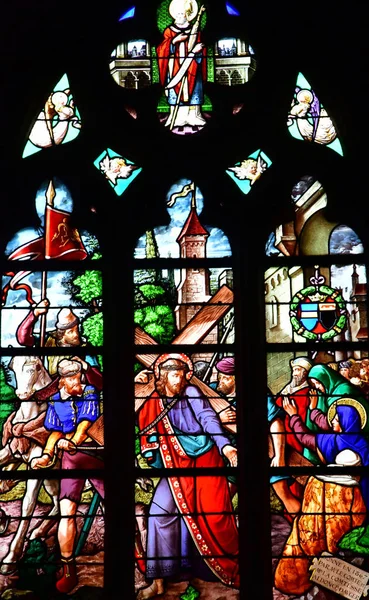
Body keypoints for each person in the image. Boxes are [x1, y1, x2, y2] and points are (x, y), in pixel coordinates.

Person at [137, 353, 239, 599]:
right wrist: (135, 382)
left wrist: (226, 447)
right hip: (175, 465)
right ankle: (159, 579)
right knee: (159, 514)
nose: (179, 379)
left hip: (205, 462)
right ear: (161, 375)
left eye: (182, 374)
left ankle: (228, 568)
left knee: (214, 517)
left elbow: (207, 417)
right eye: (174, 374)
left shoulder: (191, 392)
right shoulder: (153, 400)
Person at [274, 396, 369, 595]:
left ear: (343, 424)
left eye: (336, 419)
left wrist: (294, 416)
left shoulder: (332, 442)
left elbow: (304, 437)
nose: (332, 421)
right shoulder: (364, 445)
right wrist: (314, 410)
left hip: (322, 516)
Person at [31, 359, 104, 594]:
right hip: (71, 460)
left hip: (99, 456)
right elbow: (54, 432)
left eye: (79, 376)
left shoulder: (90, 392)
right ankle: (69, 569)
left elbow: (85, 423)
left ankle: (137, 553)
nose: (78, 381)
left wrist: (72, 441)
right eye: (73, 378)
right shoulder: (55, 400)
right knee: (67, 512)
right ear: (62, 380)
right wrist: (47, 455)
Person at [16, 298, 102, 388]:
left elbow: (100, 383)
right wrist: (35, 313)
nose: (76, 335)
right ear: (61, 334)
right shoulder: (47, 341)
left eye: (76, 329)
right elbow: (23, 339)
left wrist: (86, 367)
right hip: (47, 391)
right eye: (70, 332)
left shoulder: (84, 348)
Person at [156, 0, 206, 130]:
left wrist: (197, 52)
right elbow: (162, 49)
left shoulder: (195, 30)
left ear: (187, 15)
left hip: (193, 66)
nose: (178, 17)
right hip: (174, 68)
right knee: (174, 89)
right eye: (176, 14)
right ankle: (176, 117)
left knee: (194, 89)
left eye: (181, 14)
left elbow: (201, 49)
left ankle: (194, 116)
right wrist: (174, 41)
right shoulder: (169, 31)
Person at [274, 357, 313, 458]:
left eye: (298, 370)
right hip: (278, 436)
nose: (294, 374)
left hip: (296, 440)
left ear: (305, 373)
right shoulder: (285, 391)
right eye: (293, 370)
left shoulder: (308, 393)